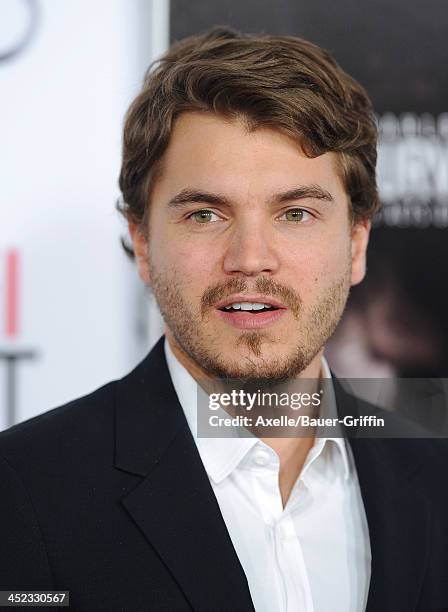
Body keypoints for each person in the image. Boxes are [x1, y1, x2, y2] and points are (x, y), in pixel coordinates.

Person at [0, 27, 447, 612]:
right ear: (141, 242)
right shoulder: (24, 492)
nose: (251, 258)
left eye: (296, 213)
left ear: (357, 244)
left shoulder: (436, 478)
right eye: (206, 214)